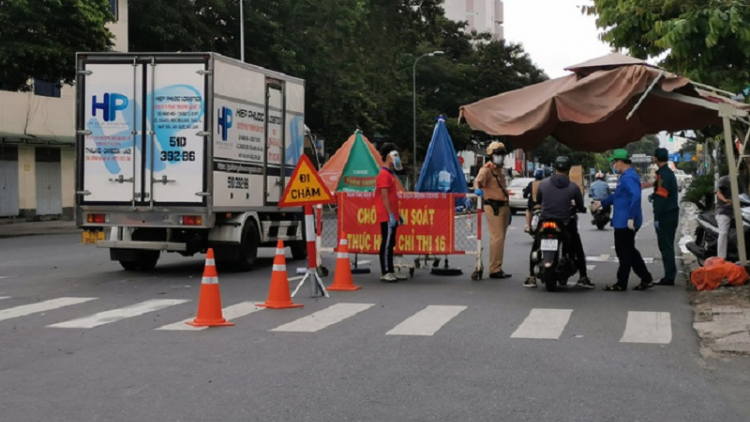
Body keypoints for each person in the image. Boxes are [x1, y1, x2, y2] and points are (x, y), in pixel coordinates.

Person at [523, 156, 594, 289]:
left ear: (554, 168)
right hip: (565, 223)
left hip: (544, 221)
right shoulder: (573, 187)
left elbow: (538, 199)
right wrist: (580, 209)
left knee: (536, 245)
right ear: (568, 170)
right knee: (577, 247)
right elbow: (580, 205)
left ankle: (532, 276)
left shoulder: (543, 184)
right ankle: (583, 276)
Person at [593, 149, 653, 291]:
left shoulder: (629, 177)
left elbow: (636, 197)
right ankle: (645, 278)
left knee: (624, 251)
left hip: (626, 221)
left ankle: (622, 282)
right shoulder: (626, 176)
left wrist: (631, 217)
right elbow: (618, 196)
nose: (614, 165)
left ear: (620, 162)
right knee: (628, 251)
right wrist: (602, 203)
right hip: (622, 220)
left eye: (614, 162)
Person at [474, 141, 512, 279]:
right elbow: (477, 182)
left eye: (502, 154)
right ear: (491, 155)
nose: (500, 157)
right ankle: (495, 269)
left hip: (503, 206)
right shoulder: (486, 170)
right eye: (497, 154)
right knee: (497, 238)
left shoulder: (499, 170)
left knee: (500, 238)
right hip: (493, 206)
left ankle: (497, 267)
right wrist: (477, 190)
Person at [375, 143, 406, 283]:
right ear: (389, 157)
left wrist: (397, 215)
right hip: (386, 215)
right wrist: (391, 215)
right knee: (387, 243)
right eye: (395, 156)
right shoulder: (383, 175)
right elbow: (384, 196)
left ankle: (391, 270)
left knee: (391, 242)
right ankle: (386, 271)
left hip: (392, 214)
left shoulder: (390, 174)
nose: (397, 159)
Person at [650, 148, 680, 286]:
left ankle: (669, 277)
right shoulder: (667, 173)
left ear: (656, 158)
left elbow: (662, 196)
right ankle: (669, 275)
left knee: (666, 246)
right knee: (667, 246)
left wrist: (657, 216)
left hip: (666, 215)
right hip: (670, 213)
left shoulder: (663, 175)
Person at [716, 175, 733, 259]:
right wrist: (725, 200)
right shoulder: (724, 180)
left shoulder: (741, 182)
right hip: (724, 211)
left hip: (738, 211)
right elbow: (718, 192)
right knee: (723, 232)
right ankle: (721, 258)